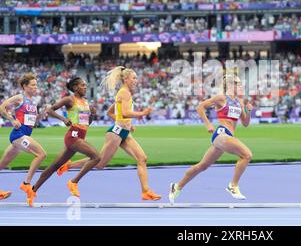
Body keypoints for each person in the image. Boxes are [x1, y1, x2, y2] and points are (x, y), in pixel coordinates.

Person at [57, 67, 161, 201]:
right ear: (126, 79)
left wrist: (128, 124)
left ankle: (146, 192)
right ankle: (69, 170)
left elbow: (111, 113)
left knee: (142, 158)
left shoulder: (125, 93)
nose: (136, 80)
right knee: (100, 163)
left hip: (124, 132)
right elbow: (124, 113)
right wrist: (143, 113)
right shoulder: (124, 93)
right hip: (116, 133)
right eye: (134, 78)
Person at [169, 72, 253, 203]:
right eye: (239, 83)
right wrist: (208, 124)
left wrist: (248, 111)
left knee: (202, 166)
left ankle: (177, 186)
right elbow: (200, 106)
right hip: (221, 133)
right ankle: (233, 186)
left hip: (228, 136)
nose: (242, 86)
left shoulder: (240, 102)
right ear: (231, 84)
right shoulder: (222, 98)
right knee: (247, 155)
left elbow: (246, 123)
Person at [28, 77, 100, 206]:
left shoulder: (85, 102)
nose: (85, 87)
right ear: (75, 87)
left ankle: (33, 190)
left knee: (54, 166)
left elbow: (86, 123)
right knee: (96, 157)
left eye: (85, 85)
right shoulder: (69, 99)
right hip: (73, 136)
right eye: (82, 85)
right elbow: (49, 110)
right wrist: (63, 119)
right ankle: (74, 182)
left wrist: (92, 115)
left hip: (80, 136)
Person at [0, 74, 47, 204]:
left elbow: (31, 121)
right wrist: (11, 120)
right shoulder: (20, 98)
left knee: (2, 165)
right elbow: (2, 107)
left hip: (24, 135)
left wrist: (41, 115)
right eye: (32, 85)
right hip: (18, 135)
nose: (35, 87)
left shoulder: (33, 102)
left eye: (36, 85)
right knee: (41, 154)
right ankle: (26, 183)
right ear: (24, 86)